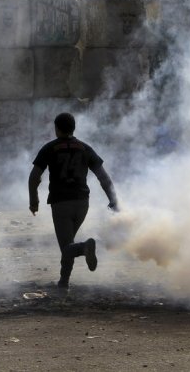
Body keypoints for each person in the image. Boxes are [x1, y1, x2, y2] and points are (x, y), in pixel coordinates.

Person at [29, 112, 118, 293]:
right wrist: (113, 201)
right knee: (68, 244)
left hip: (61, 203)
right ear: (74, 128)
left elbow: (34, 177)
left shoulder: (50, 148)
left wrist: (34, 201)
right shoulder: (85, 148)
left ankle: (85, 248)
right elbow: (104, 178)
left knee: (67, 247)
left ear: (56, 128)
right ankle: (63, 283)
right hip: (82, 203)